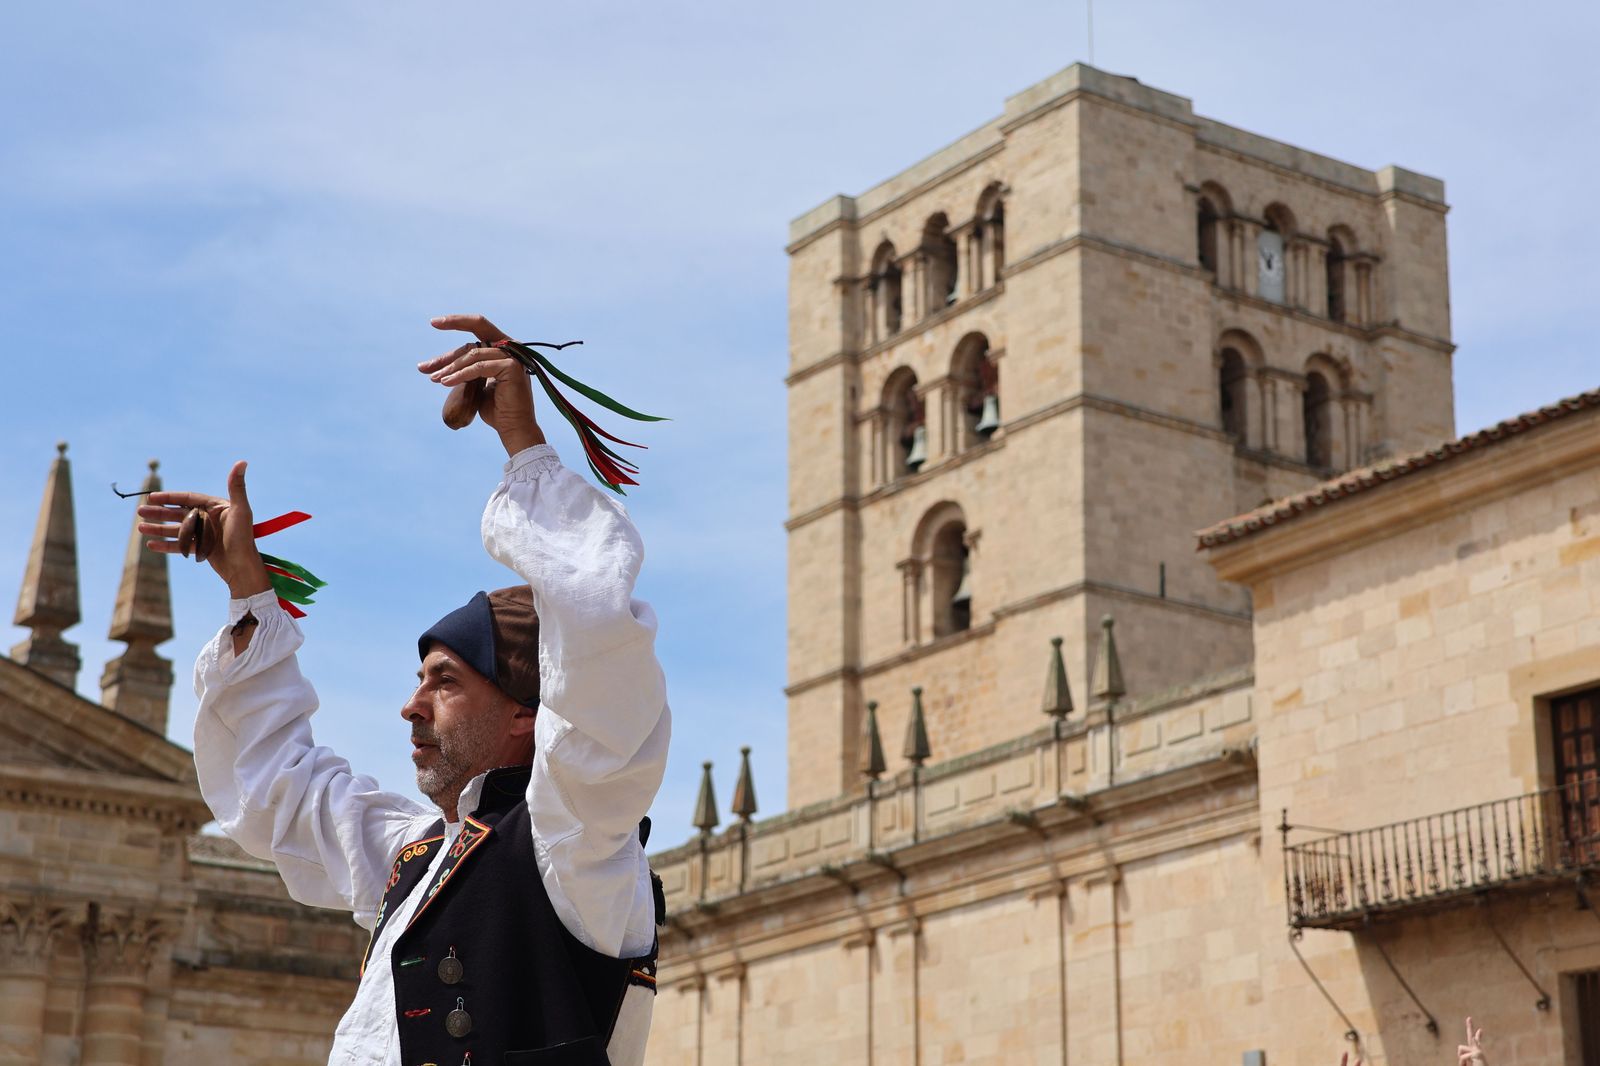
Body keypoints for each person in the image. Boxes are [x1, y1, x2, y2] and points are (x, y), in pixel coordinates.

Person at [138, 314, 670, 1066]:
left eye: (446, 683)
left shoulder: (576, 843)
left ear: (530, 712)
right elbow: (279, 792)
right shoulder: (416, 853)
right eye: (419, 680)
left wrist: (525, 451)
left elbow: (601, 654)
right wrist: (249, 595)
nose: (410, 706)